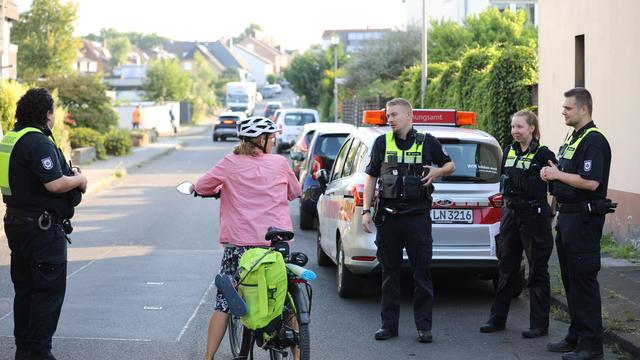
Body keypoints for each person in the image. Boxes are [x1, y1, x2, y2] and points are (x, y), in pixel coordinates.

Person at [194, 116, 302, 360]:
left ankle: (208, 357)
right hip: (275, 246)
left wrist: (212, 189)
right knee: (284, 298)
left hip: (240, 246)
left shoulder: (230, 163)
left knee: (225, 301)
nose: (273, 143)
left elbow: (201, 186)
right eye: (272, 139)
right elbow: (295, 192)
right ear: (261, 140)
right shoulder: (280, 163)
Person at [0, 88, 88, 360]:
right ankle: (38, 354)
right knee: (46, 294)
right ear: (47, 114)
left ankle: (25, 351)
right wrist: (80, 180)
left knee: (25, 291)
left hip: (16, 222)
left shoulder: (10, 138)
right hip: (41, 229)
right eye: (53, 112)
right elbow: (54, 183)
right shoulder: (37, 142)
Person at [362, 98, 455, 343]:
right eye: (387, 115)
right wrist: (364, 210)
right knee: (389, 274)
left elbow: (450, 164)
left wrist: (438, 171)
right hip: (389, 219)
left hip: (417, 219)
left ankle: (424, 328)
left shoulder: (428, 142)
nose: (389, 119)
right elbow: (371, 178)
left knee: (421, 275)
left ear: (408, 116)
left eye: (393, 114)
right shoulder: (382, 142)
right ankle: (388, 326)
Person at [541, 88, 613, 360]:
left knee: (584, 282)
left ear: (583, 109)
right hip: (568, 218)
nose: (563, 111)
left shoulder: (594, 140)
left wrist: (557, 173)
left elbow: (591, 182)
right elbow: (567, 176)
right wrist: (553, 174)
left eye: (568, 108)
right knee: (571, 282)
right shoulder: (575, 137)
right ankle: (576, 335)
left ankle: (592, 346)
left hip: (584, 221)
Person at [479, 111, 556, 338]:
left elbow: (557, 187)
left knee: (537, 271)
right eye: (513, 127)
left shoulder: (544, 154)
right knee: (506, 268)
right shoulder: (508, 150)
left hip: (534, 217)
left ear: (532, 128)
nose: (515, 131)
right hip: (511, 215)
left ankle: (539, 325)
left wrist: (549, 213)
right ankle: (497, 319)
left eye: (519, 127)